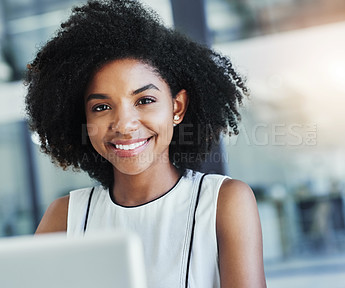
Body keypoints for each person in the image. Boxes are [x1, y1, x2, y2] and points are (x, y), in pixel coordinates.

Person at [26, 0, 266, 287]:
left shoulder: (223, 203)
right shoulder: (64, 218)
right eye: (101, 107)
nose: (125, 124)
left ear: (177, 107)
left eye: (145, 101)